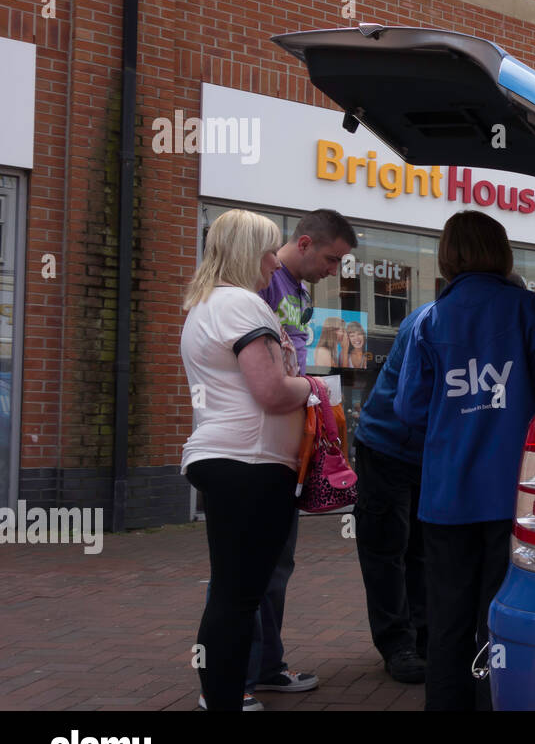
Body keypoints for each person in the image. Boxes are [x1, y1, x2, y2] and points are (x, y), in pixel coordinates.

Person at [395, 210, 535, 711]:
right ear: (501, 253)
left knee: (447, 619)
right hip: (512, 493)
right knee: (500, 613)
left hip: (446, 498)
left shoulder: (429, 322)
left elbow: (408, 408)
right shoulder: (527, 310)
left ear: (447, 256)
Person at [180, 209, 313, 712]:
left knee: (230, 591)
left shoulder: (205, 305)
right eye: (264, 251)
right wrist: (317, 387)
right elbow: (273, 392)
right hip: (251, 463)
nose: (271, 264)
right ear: (243, 253)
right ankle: (223, 698)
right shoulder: (244, 306)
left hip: (226, 459)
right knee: (239, 597)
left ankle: (220, 694)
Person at [254, 208, 358, 698]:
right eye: (332, 259)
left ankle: (267, 665)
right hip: (260, 445)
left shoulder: (296, 292)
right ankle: (243, 671)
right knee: (248, 567)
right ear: (304, 243)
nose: (333, 271)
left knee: (278, 563)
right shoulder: (264, 286)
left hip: (291, 443)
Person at [351, 306, 432, 684]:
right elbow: (410, 401)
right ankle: (398, 644)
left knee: (422, 547)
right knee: (386, 547)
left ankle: (425, 637)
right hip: (386, 445)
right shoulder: (430, 322)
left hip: (426, 453)